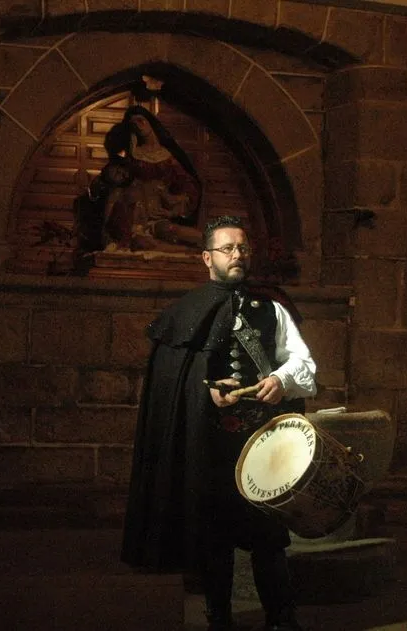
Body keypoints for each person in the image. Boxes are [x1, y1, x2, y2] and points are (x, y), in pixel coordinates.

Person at [121, 215, 316, 631]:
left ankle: (281, 620)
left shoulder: (273, 308)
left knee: (269, 537)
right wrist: (205, 390)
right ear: (207, 258)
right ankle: (219, 620)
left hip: (264, 443)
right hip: (207, 445)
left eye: (242, 248)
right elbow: (171, 379)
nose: (237, 255)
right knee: (214, 539)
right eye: (227, 249)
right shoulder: (185, 311)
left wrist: (281, 381)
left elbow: (302, 361)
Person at [99, 105, 204, 252]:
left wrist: (175, 205)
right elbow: (116, 181)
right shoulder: (132, 155)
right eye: (133, 124)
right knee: (146, 242)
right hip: (134, 215)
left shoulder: (168, 155)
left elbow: (187, 184)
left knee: (173, 230)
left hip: (158, 211)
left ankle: (211, 244)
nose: (138, 126)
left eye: (140, 120)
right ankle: (190, 252)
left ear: (150, 121)